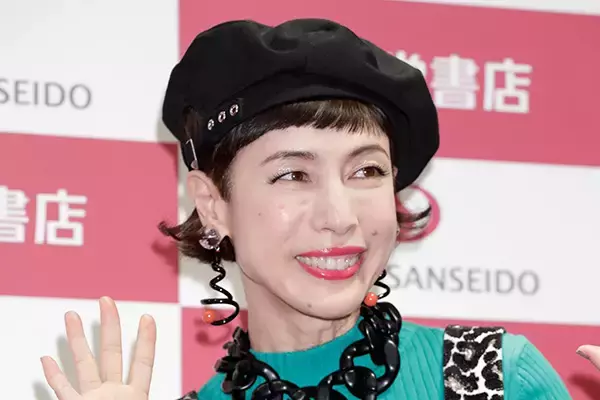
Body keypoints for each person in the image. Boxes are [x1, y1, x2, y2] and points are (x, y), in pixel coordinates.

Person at [40, 18, 574, 400]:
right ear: (213, 205)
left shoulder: (493, 377)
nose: (340, 217)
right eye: (293, 175)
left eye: (366, 171)